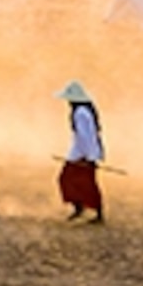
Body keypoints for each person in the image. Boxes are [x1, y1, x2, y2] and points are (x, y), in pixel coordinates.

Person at [57, 81, 106, 224]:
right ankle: (81, 207)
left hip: (82, 154)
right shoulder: (83, 111)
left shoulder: (80, 113)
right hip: (80, 153)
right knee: (74, 181)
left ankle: (94, 211)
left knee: (81, 182)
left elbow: (86, 136)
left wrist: (88, 157)